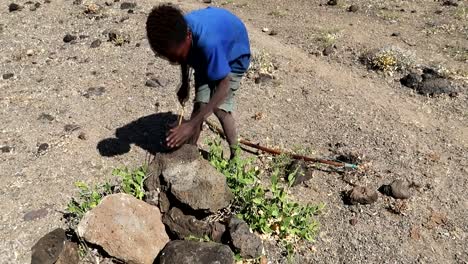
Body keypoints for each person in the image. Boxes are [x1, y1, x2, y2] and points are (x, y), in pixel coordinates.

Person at [146, 4, 250, 159]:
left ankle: (237, 157)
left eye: (175, 56)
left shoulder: (209, 43)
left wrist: (192, 124)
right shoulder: (178, 31)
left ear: (188, 37)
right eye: (169, 58)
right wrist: (185, 84)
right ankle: (190, 150)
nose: (173, 61)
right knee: (201, 104)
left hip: (233, 55)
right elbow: (183, 57)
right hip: (203, 54)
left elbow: (224, 85)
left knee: (220, 109)